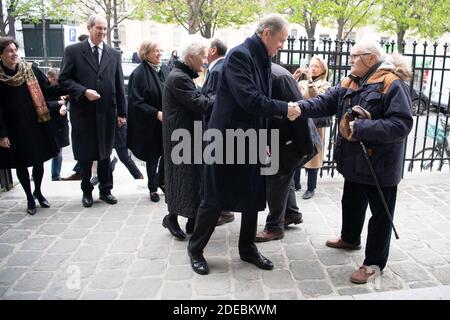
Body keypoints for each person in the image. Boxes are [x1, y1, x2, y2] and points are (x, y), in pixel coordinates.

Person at [187, 14, 301, 275]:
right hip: (226, 138)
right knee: (215, 197)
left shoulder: (261, 56)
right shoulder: (240, 55)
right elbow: (250, 100)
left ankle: (247, 248)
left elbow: (261, 102)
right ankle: (196, 249)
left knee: (253, 195)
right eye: (281, 40)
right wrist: (287, 108)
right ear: (266, 34)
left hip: (252, 138)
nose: (282, 45)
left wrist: (265, 139)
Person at [294, 38, 413, 284]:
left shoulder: (392, 84)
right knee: (351, 202)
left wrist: (361, 127)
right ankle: (350, 238)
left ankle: (374, 263)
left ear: (370, 58)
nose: (350, 60)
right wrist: (299, 107)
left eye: (354, 56)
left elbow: (401, 124)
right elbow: (326, 102)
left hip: (380, 166)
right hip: (355, 162)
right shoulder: (351, 80)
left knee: (380, 215)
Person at [59, 14, 126, 208]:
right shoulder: (73, 51)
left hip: (107, 112)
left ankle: (106, 190)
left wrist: (122, 113)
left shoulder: (114, 54)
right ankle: (86, 191)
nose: (103, 32)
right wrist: (83, 91)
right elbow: (63, 80)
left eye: (105, 29)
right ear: (89, 28)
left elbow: (119, 84)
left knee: (105, 153)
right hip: (83, 113)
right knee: (85, 154)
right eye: (99, 28)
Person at [162, 38, 214, 240]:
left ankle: (191, 219)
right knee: (181, 178)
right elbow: (199, 103)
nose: (205, 60)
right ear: (191, 57)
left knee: (191, 178)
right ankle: (171, 218)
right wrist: (219, 98)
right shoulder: (179, 78)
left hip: (187, 136)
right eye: (202, 56)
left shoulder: (183, 75)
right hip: (181, 137)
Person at [0, 37, 59, 215]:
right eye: (9, 50)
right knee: (21, 163)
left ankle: (38, 192)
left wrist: (66, 88)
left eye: (15, 49)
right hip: (13, 127)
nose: (14, 53)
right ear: (1, 54)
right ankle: (29, 197)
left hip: (35, 123)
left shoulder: (30, 69)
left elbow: (47, 89)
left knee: (39, 160)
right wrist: (2, 134)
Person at [255, 63, 305, 242]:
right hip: (283, 136)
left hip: (288, 138)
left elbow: (296, 110)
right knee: (285, 176)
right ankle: (291, 213)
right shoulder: (267, 73)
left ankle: (274, 227)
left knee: (275, 177)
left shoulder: (277, 77)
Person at [128, 40, 170, 202]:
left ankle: (162, 181)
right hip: (149, 123)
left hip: (166, 121)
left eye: (161, 50)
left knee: (167, 154)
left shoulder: (166, 69)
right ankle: (153, 188)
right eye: (156, 51)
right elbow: (136, 101)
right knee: (153, 157)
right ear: (146, 54)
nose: (160, 54)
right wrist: (155, 113)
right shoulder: (138, 74)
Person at [200, 38, 234, 226]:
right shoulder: (218, 68)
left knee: (217, 174)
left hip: (216, 130)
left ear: (213, 50)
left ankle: (223, 211)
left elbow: (213, 101)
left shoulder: (217, 70)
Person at [293, 55, 331, 200]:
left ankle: (311, 188)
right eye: (311, 65)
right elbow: (291, 92)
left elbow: (319, 100)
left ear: (323, 70)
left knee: (314, 153)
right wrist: (294, 78)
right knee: (297, 152)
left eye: (316, 66)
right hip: (300, 121)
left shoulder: (326, 85)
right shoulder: (301, 82)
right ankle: (296, 183)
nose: (313, 68)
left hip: (315, 124)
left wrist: (310, 82)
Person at [46, 68, 70, 181]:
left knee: (58, 151)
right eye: (54, 80)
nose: (56, 83)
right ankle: (54, 174)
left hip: (60, 122)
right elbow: (43, 104)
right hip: (50, 122)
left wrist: (65, 102)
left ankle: (56, 175)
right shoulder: (46, 89)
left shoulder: (61, 89)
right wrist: (58, 103)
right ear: (49, 78)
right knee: (52, 150)